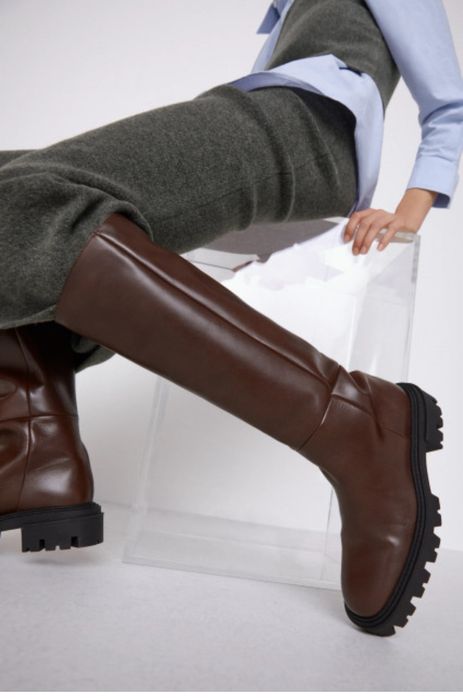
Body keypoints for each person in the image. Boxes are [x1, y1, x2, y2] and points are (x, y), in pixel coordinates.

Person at [0, 0, 460, 637]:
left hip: (303, 129)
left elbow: (449, 104)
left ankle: (356, 425)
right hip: (266, 119)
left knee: (29, 203)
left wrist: (407, 213)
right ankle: (33, 443)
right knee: (10, 187)